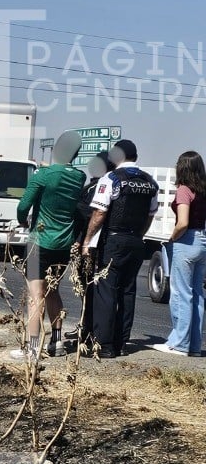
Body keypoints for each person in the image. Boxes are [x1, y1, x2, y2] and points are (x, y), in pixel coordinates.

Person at [11, 130, 85, 361]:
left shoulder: (42, 175)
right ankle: (57, 341)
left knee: (35, 296)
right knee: (53, 290)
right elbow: (62, 174)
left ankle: (33, 348)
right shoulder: (79, 177)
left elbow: (23, 206)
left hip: (39, 242)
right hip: (64, 243)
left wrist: (23, 221)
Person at [82, 139, 160, 358]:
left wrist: (87, 240)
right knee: (128, 291)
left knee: (106, 291)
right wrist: (139, 235)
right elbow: (150, 215)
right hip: (136, 241)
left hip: (114, 240)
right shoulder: (150, 182)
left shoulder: (111, 178)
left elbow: (99, 213)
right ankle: (121, 343)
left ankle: (104, 345)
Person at [155, 150, 206, 356]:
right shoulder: (203, 190)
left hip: (186, 242)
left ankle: (179, 344)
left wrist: (172, 238)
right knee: (197, 294)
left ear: (182, 167)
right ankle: (194, 346)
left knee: (181, 293)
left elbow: (183, 222)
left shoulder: (184, 190)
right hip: (202, 241)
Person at [67, 151, 116, 346]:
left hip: (88, 245)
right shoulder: (112, 185)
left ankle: (88, 329)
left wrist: (80, 241)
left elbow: (86, 217)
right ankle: (88, 327)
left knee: (87, 288)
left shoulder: (94, 188)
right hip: (105, 243)